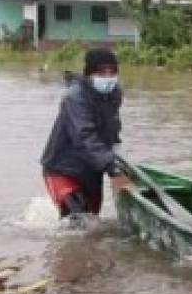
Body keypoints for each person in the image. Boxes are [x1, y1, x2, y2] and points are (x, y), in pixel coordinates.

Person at [40, 47, 130, 217]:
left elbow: (112, 128)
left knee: (93, 221)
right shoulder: (75, 97)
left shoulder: (114, 94)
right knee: (77, 216)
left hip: (92, 170)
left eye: (112, 73)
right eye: (102, 73)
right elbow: (83, 136)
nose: (108, 78)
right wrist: (111, 165)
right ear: (89, 74)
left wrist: (119, 160)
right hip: (62, 168)